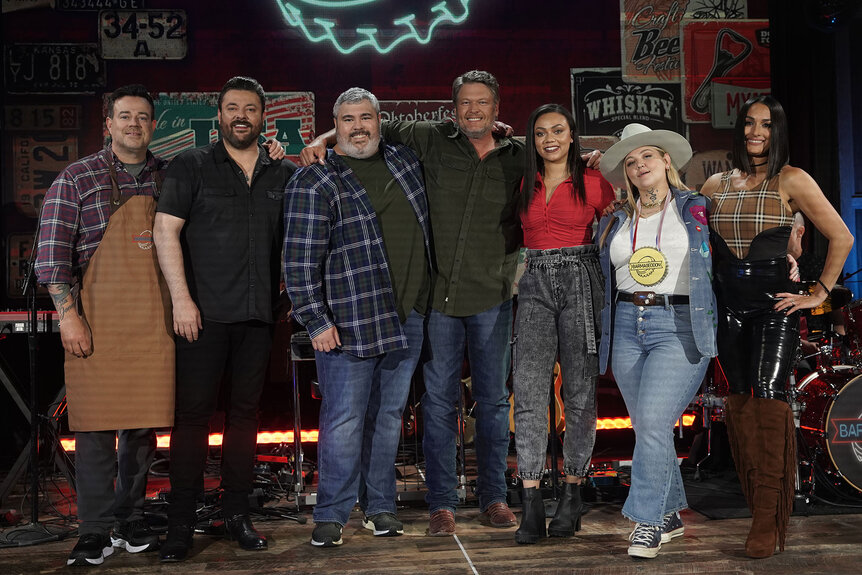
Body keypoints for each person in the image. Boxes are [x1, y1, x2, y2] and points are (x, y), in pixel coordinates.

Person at [301, 70, 524, 534]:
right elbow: (300, 256)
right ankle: (427, 505)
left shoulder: (513, 155)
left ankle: (487, 497)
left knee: (482, 404)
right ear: (452, 108)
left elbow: (562, 162)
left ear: (497, 108)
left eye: (482, 103)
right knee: (420, 406)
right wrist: (321, 140)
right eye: (465, 102)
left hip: (468, 301)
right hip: (416, 303)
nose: (473, 111)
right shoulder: (419, 141)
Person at [700, 95, 853, 558]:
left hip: (774, 307)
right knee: (739, 404)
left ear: (778, 131)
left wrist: (818, 292)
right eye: (749, 123)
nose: (756, 132)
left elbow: (842, 236)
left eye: (766, 125)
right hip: (727, 307)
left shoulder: (791, 179)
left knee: (769, 398)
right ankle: (757, 505)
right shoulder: (714, 184)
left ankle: (769, 518)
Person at [153, 76, 297, 562]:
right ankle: (180, 524)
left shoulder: (282, 171)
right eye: (232, 107)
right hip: (202, 314)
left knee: (245, 418)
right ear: (219, 115)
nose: (241, 116)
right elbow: (165, 232)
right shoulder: (191, 165)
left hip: (259, 316)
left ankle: (236, 514)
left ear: (263, 116)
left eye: (250, 108)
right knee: (192, 418)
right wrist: (181, 300)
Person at [284, 87, 432, 547]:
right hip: (348, 321)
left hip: (407, 316)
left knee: (387, 417)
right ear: (335, 127)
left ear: (379, 120)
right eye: (347, 120)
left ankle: (379, 505)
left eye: (366, 117)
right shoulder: (315, 179)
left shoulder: (405, 162)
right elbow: (298, 260)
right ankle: (331, 512)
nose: (358, 127)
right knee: (344, 420)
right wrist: (315, 320)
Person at [34, 84, 171, 566]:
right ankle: (93, 530)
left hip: (152, 322)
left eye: (143, 117)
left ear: (153, 125)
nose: (135, 124)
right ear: (109, 124)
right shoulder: (77, 178)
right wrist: (68, 316)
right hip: (96, 319)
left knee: (141, 428)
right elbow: (51, 255)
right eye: (125, 116)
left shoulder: (168, 176)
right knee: (94, 428)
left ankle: (130, 520)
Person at [597, 123, 717, 558]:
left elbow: (732, 250)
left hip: (680, 323)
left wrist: (788, 260)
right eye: (630, 161)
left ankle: (646, 521)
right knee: (650, 426)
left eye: (647, 155)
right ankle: (668, 514)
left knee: (651, 422)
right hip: (627, 325)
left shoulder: (698, 207)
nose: (639, 165)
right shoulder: (615, 218)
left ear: (666, 160)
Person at [511, 104, 614, 544]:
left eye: (557, 130)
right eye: (540, 133)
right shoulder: (524, 182)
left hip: (581, 278)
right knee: (529, 391)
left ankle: (572, 494)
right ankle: (531, 500)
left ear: (573, 136)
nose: (549, 139)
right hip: (534, 279)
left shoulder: (595, 180)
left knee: (579, 393)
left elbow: (623, 224)